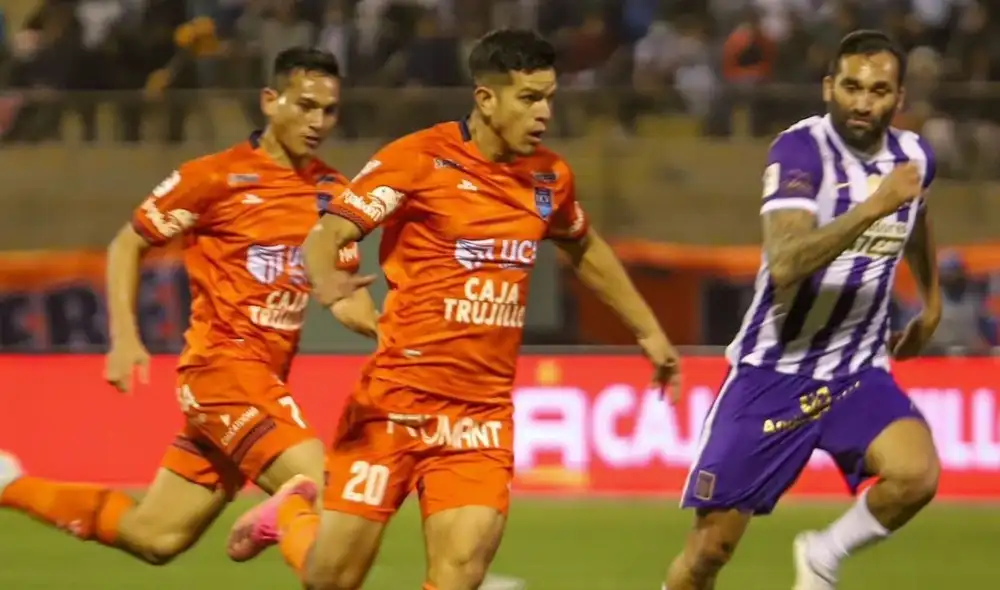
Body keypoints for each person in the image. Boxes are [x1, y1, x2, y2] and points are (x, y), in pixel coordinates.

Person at [226, 28, 682, 590]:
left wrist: (648, 332)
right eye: (529, 98)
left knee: (461, 573)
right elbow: (328, 235)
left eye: (549, 98)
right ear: (486, 99)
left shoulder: (549, 177)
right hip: (395, 403)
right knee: (330, 579)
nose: (543, 113)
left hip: (480, 417)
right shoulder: (418, 160)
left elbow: (582, 245)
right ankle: (291, 516)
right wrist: (335, 288)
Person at [0, 47, 377, 566]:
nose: (317, 122)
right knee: (321, 487)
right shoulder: (215, 178)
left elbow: (345, 298)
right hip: (221, 372)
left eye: (328, 110)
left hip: (264, 380)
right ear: (270, 101)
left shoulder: (334, 191)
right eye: (304, 105)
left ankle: (8, 485)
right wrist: (125, 336)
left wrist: (391, 331)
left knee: (155, 537)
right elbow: (128, 243)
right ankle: (276, 521)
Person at [664, 30, 941, 590]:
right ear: (828, 88)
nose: (863, 102)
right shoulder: (799, 152)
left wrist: (930, 304)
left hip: (855, 371)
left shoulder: (913, 158)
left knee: (917, 476)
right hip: (773, 373)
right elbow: (787, 262)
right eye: (852, 87)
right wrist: (875, 205)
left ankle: (822, 556)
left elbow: (917, 219)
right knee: (709, 551)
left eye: (879, 90)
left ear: (899, 97)